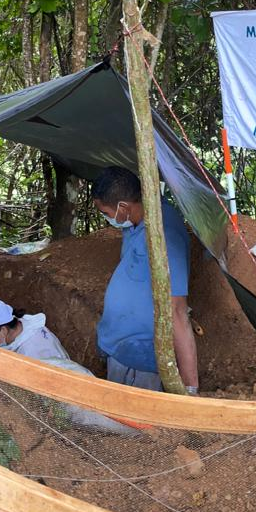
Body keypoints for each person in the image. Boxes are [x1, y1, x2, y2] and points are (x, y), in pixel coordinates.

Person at [90, 166, 199, 394]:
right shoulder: (136, 222)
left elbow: (177, 311)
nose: (106, 218)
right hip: (121, 345)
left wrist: (190, 389)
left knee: (133, 426)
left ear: (123, 208)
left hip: (138, 358)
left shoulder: (164, 235)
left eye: (106, 213)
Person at [0, 299, 137, 434]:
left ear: (4, 330)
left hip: (70, 394)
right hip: (73, 376)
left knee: (108, 421)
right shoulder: (25, 326)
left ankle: (141, 433)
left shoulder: (32, 352)